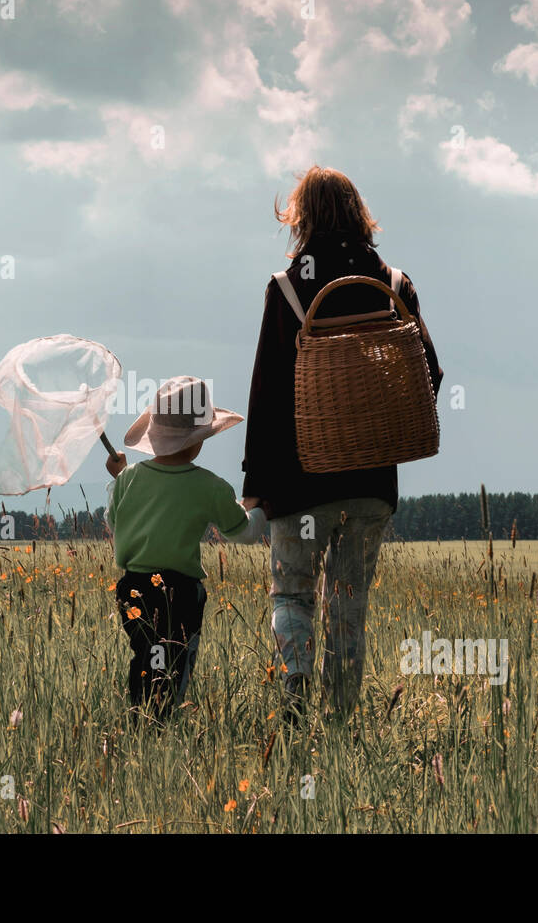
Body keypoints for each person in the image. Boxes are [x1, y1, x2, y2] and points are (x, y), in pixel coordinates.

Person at [241, 166, 444, 724]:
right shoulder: (396, 285)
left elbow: (266, 392)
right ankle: (341, 722)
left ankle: (296, 681)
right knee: (348, 606)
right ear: (360, 214)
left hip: (298, 479)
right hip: (372, 483)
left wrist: (255, 485)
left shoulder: (286, 289)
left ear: (300, 218)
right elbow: (430, 374)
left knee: (292, 594)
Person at [106, 376, 267, 721]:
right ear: (198, 441)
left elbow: (116, 523)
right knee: (176, 661)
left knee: (147, 655)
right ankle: (162, 725)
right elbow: (244, 533)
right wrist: (260, 507)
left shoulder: (128, 480)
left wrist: (119, 478)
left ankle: (141, 719)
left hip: (132, 588)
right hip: (179, 591)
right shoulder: (209, 487)